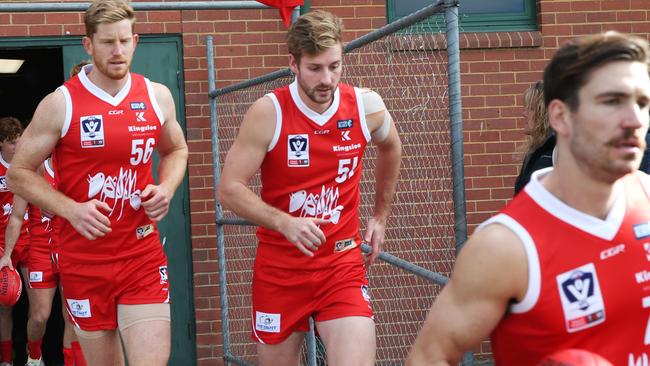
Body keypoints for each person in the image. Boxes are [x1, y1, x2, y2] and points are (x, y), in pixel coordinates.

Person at [406, 31, 650, 365]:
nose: (635, 120)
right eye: (611, 101)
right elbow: (428, 356)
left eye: (642, 103)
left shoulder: (646, 196)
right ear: (561, 117)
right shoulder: (506, 245)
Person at [6, 0, 189, 365]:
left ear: (135, 41)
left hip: (141, 254)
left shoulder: (157, 96)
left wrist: (166, 188)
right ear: (88, 44)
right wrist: (71, 209)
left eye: (124, 41)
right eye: (107, 42)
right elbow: (18, 173)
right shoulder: (62, 103)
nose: (118, 51)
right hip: (84, 260)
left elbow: (176, 150)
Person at [218, 10, 402, 366]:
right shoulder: (268, 113)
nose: (327, 79)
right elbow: (229, 188)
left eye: (334, 66)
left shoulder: (366, 106)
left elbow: (391, 147)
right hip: (280, 270)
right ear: (293, 63)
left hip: (341, 265)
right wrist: (285, 222)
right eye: (315, 68)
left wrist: (380, 215)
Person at [0, 116, 30, 366]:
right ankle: (7, 360)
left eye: (19, 140)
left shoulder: (30, 164)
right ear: (1, 144)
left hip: (30, 238)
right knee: (5, 302)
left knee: (38, 306)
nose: (17, 146)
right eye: (11, 142)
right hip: (2, 244)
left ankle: (34, 356)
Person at [513, 80, 556, 194]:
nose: (524, 114)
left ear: (545, 115)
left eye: (531, 108)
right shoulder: (536, 150)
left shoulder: (555, 153)